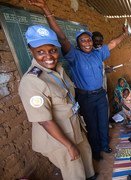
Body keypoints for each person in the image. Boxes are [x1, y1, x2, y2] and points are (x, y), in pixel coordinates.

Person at [28, 0, 129, 160]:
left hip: (100, 95)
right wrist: (47, 10)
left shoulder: (98, 53)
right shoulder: (74, 55)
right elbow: (61, 37)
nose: (87, 43)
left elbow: (113, 43)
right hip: (86, 97)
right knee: (92, 125)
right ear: (78, 43)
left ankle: (104, 145)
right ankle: (96, 150)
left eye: (88, 40)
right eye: (83, 40)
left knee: (103, 122)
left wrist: (125, 33)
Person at [19, 25, 96, 179]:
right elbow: (45, 121)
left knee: (86, 157)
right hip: (58, 137)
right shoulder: (31, 81)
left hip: (74, 127)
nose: (48, 56)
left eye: (52, 50)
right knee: (74, 171)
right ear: (31, 50)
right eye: (40, 52)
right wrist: (69, 146)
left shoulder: (58, 70)